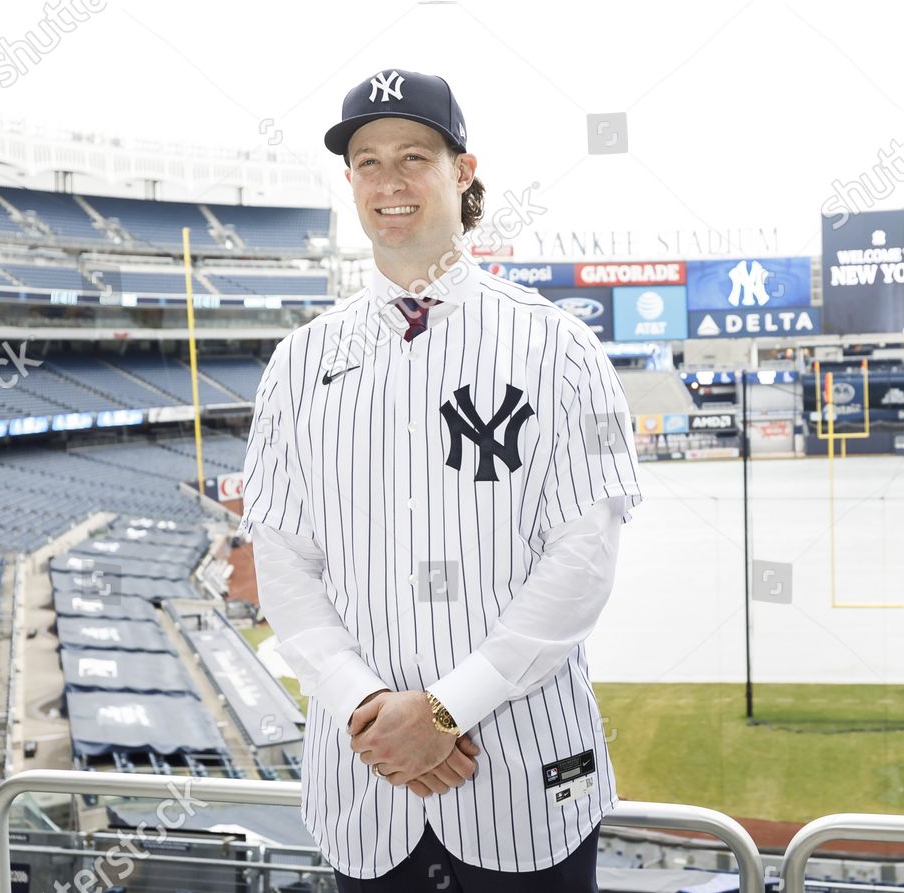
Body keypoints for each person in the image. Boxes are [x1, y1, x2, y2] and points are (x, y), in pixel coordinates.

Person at [237, 67, 643, 892]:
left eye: (414, 156)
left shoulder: (559, 347)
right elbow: (283, 561)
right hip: (367, 780)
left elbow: (581, 562)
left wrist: (446, 710)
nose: (390, 182)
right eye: (368, 161)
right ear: (350, 181)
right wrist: (370, 708)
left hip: (524, 778)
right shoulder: (298, 363)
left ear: (463, 171)